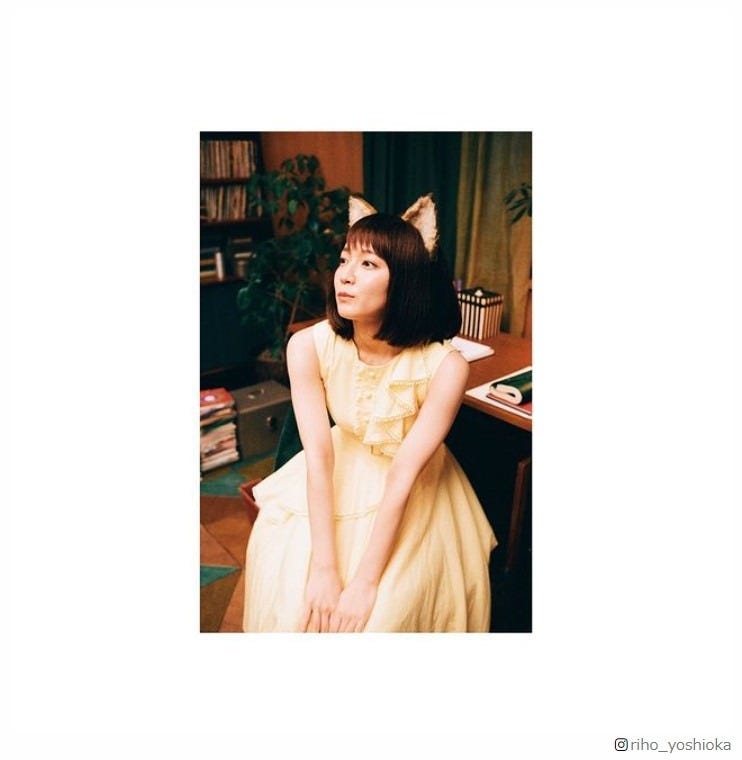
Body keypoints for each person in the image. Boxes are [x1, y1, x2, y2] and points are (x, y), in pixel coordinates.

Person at [242, 193, 497, 633]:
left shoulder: (447, 368)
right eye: (344, 260)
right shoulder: (307, 346)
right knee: (295, 595)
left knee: (382, 617)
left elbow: (403, 475)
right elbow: (318, 458)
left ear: (405, 281)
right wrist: (324, 568)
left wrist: (364, 582)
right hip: (334, 470)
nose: (345, 275)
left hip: (412, 489)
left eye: (368, 264)